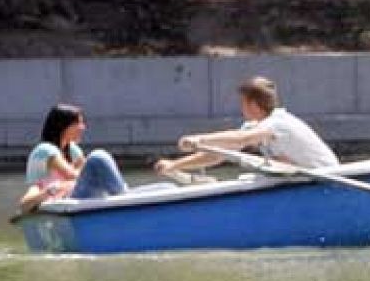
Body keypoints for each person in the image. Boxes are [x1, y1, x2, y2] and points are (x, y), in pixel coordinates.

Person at [154, 76, 338, 184]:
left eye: (242, 102)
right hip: (301, 181)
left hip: (327, 180)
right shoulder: (255, 126)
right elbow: (219, 155)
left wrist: (200, 140)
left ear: (253, 104)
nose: (240, 107)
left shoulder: (278, 123)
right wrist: (175, 165)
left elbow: (241, 139)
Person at [17, 104, 130, 213]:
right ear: (63, 125)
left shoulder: (72, 149)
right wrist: (54, 189)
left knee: (98, 159)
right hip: (69, 203)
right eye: (78, 123)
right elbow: (72, 175)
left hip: (79, 199)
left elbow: (84, 173)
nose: (83, 127)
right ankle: (125, 200)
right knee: (97, 156)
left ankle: (123, 197)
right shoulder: (45, 149)